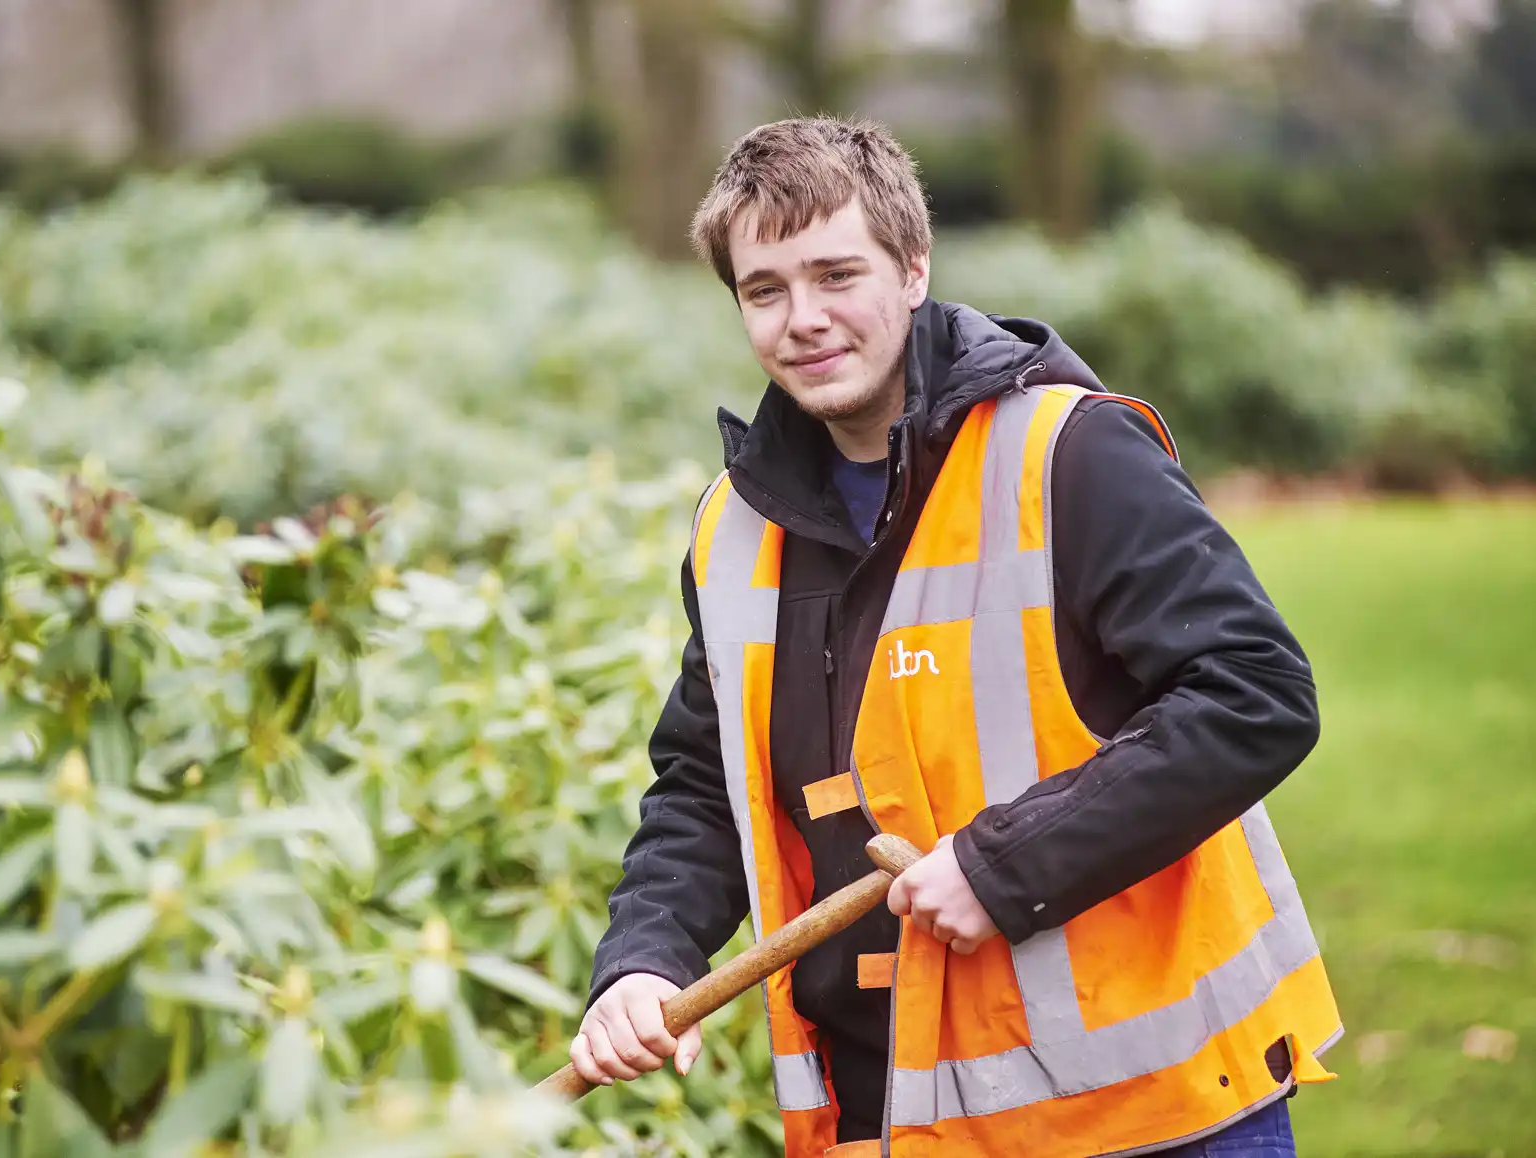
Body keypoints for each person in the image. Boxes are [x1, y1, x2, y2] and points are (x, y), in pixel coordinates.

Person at [571, 115, 1344, 1158]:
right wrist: (643, 959)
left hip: (1153, 1115)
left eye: (836, 274)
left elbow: (1254, 695)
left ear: (914, 267)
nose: (804, 318)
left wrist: (1005, 863)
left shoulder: (1068, 453)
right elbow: (705, 788)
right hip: (886, 1114)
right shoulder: (731, 529)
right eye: (765, 290)